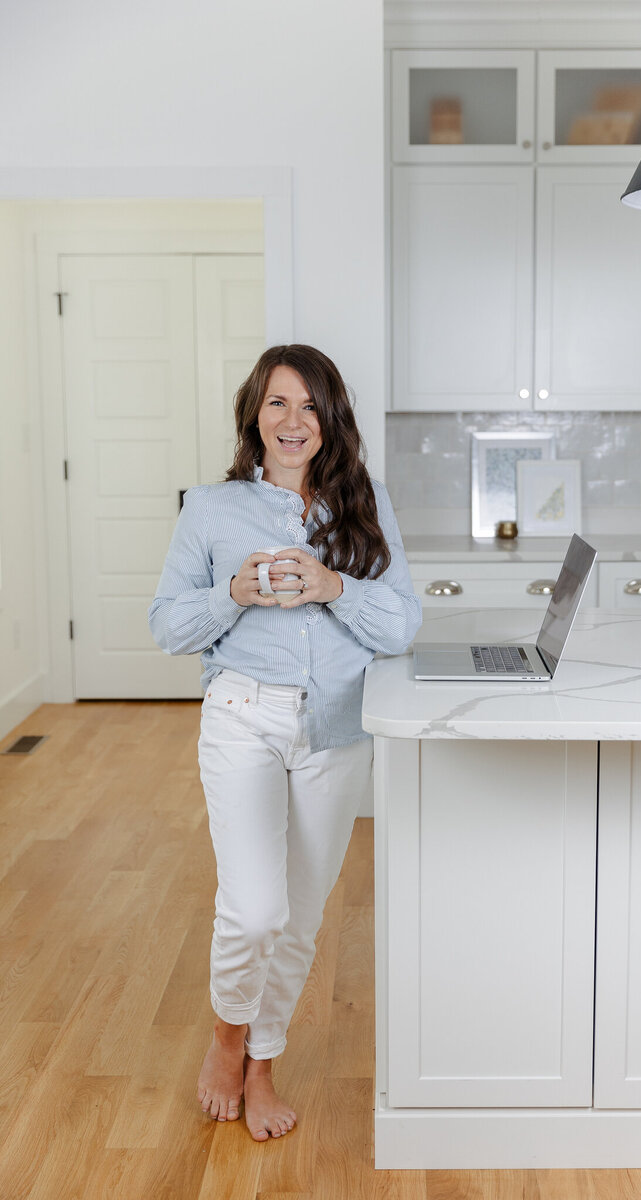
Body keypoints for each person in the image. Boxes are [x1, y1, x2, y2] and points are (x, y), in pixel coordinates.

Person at [148, 344, 422, 1141]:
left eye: (309, 406)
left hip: (337, 728)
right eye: (277, 403)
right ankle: (225, 1040)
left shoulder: (365, 503)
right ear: (253, 415)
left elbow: (403, 624)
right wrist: (231, 595)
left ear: (330, 419)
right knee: (255, 909)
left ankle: (262, 1065)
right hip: (243, 714)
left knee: (299, 920)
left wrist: (336, 586)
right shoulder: (210, 509)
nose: (292, 421)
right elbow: (167, 625)